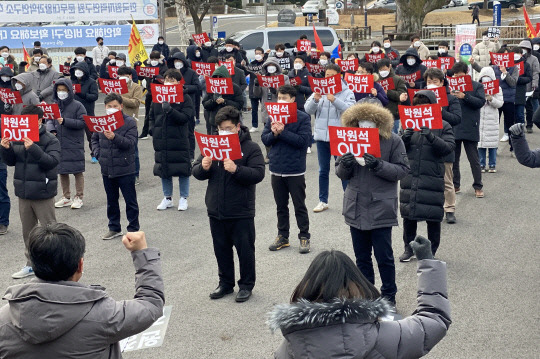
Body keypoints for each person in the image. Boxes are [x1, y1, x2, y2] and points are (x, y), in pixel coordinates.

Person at [0, 224, 165, 358]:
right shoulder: (104, 315)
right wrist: (141, 253)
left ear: (34, 266)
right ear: (80, 265)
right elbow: (151, 304)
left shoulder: (4, 319)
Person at [267, 239, 451, 358]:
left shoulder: (288, 349)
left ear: (306, 290)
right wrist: (428, 263)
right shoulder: (386, 335)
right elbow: (434, 319)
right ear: (359, 284)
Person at [335, 102, 409, 306]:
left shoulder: (393, 140)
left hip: (381, 206)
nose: (365, 127)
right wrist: (345, 164)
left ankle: (389, 296)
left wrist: (378, 165)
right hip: (356, 206)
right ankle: (367, 295)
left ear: (378, 123)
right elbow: (339, 172)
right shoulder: (349, 139)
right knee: (361, 258)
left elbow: (403, 169)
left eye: (370, 123)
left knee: (384, 257)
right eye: (361, 123)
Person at [192, 106, 265, 303]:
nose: (223, 132)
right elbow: (197, 172)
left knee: (245, 250)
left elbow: (258, 174)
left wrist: (237, 169)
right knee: (221, 249)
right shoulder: (212, 145)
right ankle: (225, 283)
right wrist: (203, 167)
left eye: (228, 128)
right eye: (220, 128)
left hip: (241, 210)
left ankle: (246, 285)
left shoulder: (250, 148)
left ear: (237, 127)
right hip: (216, 209)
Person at [0, 105, 60, 279]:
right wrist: (6, 148)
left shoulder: (50, 139)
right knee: (29, 232)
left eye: (30, 120)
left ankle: (55, 265)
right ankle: (31, 264)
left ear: (40, 120)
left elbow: (52, 162)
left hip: (43, 192)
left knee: (50, 230)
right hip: (24, 192)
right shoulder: (18, 137)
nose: (25, 123)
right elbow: (12, 162)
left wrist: (33, 147)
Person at [399, 91, 455, 262]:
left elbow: (448, 148)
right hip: (411, 176)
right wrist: (405, 138)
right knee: (409, 215)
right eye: (417, 106)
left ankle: (431, 251)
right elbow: (399, 149)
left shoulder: (443, 125)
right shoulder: (408, 124)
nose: (421, 109)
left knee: (433, 216)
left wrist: (431, 136)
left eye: (424, 105)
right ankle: (408, 249)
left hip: (432, 176)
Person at [262, 85, 312, 254]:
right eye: (279, 97)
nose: (281, 100)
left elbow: (303, 142)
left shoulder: (302, 117)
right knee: (280, 205)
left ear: (292, 99)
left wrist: (282, 132)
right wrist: (274, 134)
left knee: (299, 205)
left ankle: (304, 236)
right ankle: (282, 236)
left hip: (295, 169)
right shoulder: (272, 116)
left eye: (284, 97)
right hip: (276, 168)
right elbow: (265, 139)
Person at [304, 63, 356, 213]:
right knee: (323, 170)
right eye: (327, 75)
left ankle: (349, 200)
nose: (329, 78)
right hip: (321, 137)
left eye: (333, 75)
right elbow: (308, 110)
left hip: (339, 137)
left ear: (339, 75)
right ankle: (323, 200)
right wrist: (315, 99)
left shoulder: (347, 92)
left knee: (343, 169)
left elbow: (351, 111)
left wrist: (334, 100)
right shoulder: (318, 90)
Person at [91, 94, 139, 240]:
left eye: (115, 106)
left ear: (121, 106)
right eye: (109, 107)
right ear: (105, 107)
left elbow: (131, 144)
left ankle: (133, 229)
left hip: (125, 168)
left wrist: (114, 137)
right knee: (111, 200)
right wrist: (98, 154)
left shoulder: (129, 122)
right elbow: (94, 139)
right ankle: (114, 227)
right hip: (107, 168)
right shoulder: (101, 122)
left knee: (130, 201)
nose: (112, 109)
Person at [149, 69, 194, 211]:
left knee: (183, 169)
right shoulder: (158, 97)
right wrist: (152, 129)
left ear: (179, 82)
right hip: (161, 139)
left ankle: (183, 198)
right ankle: (167, 197)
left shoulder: (185, 98)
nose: (169, 82)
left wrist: (170, 110)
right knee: (164, 168)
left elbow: (185, 118)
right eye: (167, 79)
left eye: (172, 80)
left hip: (179, 139)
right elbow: (151, 115)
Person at [48, 78, 87, 210]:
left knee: (77, 171)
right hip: (59, 142)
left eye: (64, 90)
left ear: (69, 90)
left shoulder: (78, 106)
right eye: (59, 90)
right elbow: (49, 119)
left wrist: (65, 121)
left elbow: (83, 122)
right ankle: (66, 197)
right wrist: (51, 129)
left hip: (74, 142)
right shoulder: (54, 105)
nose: (61, 92)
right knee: (62, 171)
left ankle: (79, 197)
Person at [450, 61, 486, 198]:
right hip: (455, 126)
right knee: (454, 159)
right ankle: (455, 185)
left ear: (466, 74)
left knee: (474, 159)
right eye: (455, 75)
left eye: (460, 75)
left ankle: (478, 186)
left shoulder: (477, 86)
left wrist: (465, 96)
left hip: (470, 125)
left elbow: (480, 102)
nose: (457, 78)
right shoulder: (451, 87)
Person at [470, 49, 518, 143]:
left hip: (509, 99)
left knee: (510, 123)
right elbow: (482, 70)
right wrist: (473, 63)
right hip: (495, 99)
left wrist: (505, 72)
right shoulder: (494, 68)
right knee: (495, 122)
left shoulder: (514, 68)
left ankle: (512, 147)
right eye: (502, 55)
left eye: (506, 56)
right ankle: (493, 147)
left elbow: (513, 83)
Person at [168, 52, 202, 160]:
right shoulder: (170, 73)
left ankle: (191, 155)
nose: (177, 63)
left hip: (187, 105)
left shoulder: (191, 73)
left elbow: (197, 87)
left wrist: (184, 88)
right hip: (172, 106)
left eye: (179, 61)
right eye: (175, 61)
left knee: (189, 133)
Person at [202, 65, 244, 135]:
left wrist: (225, 101)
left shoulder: (235, 88)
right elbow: (205, 104)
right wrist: (213, 101)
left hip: (230, 123)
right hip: (215, 123)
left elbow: (239, 105)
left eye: (221, 77)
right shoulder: (211, 88)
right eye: (216, 77)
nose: (218, 79)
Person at [70, 60, 99, 161]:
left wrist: (83, 95)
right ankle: (78, 154)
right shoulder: (72, 81)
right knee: (76, 136)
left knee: (91, 135)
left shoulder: (91, 82)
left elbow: (95, 96)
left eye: (80, 70)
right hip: (74, 112)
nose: (78, 72)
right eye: (76, 70)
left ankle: (94, 154)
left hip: (88, 112)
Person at [477, 67, 504, 173]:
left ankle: (492, 164)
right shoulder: (478, 88)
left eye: (488, 77)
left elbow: (500, 103)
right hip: (480, 118)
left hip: (492, 118)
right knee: (481, 143)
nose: (485, 79)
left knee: (492, 143)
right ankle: (481, 164)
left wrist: (491, 98)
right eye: (483, 77)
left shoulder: (498, 89)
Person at [139, 51, 168, 139]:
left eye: (155, 59)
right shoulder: (148, 67)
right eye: (152, 59)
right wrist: (137, 68)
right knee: (147, 113)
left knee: (160, 112)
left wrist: (157, 76)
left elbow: (165, 79)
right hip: (150, 93)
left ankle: (161, 131)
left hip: (160, 93)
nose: (154, 60)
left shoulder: (164, 67)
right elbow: (140, 77)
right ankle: (145, 132)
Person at [376, 58, 407, 133]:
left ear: (389, 67)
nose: (382, 72)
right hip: (379, 113)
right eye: (380, 70)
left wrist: (388, 92)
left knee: (394, 135)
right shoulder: (377, 80)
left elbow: (401, 95)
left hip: (393, 114)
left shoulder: (397, 79)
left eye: (384, 69)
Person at [521, 40, 540, 134]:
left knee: (529, 107)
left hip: (529, 86)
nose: (523, 50)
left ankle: (529, 125)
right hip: (520, 86)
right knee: (520, 108)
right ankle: (520, 125)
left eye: (525, 48)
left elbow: (536, 72)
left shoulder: (534, 59)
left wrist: (534, 84)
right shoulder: (518, 58)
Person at [246, 47, 267, 132]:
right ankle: (254, 125)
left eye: (259, 53)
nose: (257, 55)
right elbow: (246, 72)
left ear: (263, 54)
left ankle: (266, 124)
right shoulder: (252, 64)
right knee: (254, 109)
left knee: (265, 109)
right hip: (254, 88)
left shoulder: (266, 63)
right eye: (256, 53)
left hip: (264, 88)